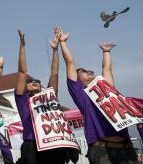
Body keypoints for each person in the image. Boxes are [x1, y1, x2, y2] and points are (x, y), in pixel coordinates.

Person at [59, 26, 137, 164]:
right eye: (83, 71)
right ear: (77, 80)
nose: (89, 71)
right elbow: (70, 63)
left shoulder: (106, 89)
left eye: (90, 70)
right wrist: (63, 43)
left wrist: (106, 51)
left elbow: (107, 69)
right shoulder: (82, 95)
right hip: (102, 149)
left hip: (126, 148)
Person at [15, 28, 78, 164]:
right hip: (33, 145)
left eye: (37, 81)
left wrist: (55, 50)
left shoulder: (49, 96)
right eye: (30, 82)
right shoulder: (23, 100)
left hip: (54, 144)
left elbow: (54, 74)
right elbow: (21, 72)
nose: (34, 82)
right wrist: (22, 46)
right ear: (24, 89)